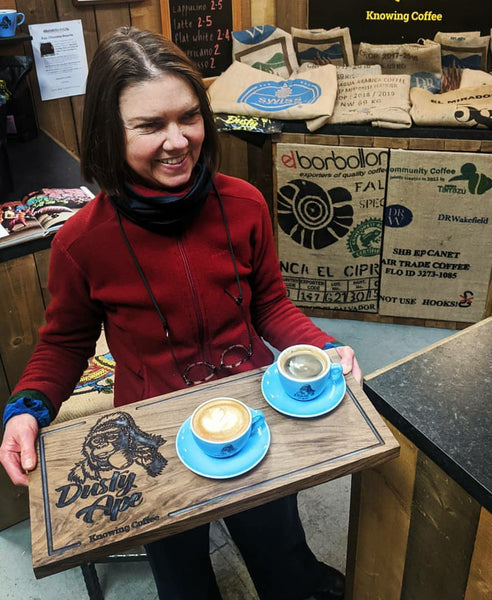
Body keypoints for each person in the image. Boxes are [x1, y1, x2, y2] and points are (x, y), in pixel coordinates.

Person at [0, 26, 361, 600]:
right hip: (151, 436)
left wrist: (316, 349)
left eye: (188, 117)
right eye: (149, 125)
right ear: (108, 134)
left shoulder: (244, 204)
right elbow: (64, 343)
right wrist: (27, 406)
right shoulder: (79, 243)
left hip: (253, 412)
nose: (177, 141)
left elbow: (270, 303)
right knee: (183, 576)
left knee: (281, 553)